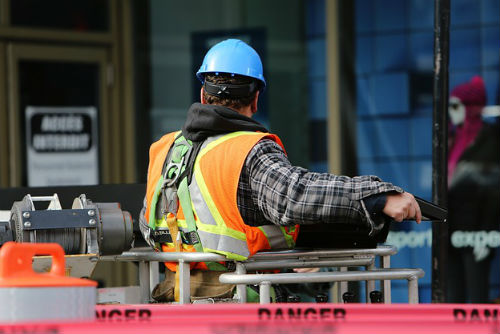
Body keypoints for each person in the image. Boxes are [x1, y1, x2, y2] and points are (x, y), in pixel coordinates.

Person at [139, 39, 421, 302]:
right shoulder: (248, 149)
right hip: (236, 304)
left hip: (173, 301)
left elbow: (147, 223)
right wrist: (377, 196)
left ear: (202, 93)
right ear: (256, 99)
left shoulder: (164, 149)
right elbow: (294, 195)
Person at [447, 76, 499, 303]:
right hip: (450, 229)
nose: (451, 111)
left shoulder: (491, 139)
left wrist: (487, 234)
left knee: (477, 298)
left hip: (477, 229)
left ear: (471, 107)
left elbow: (494, 191)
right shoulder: (451, 138)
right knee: (452, 297)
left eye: (456, 106)